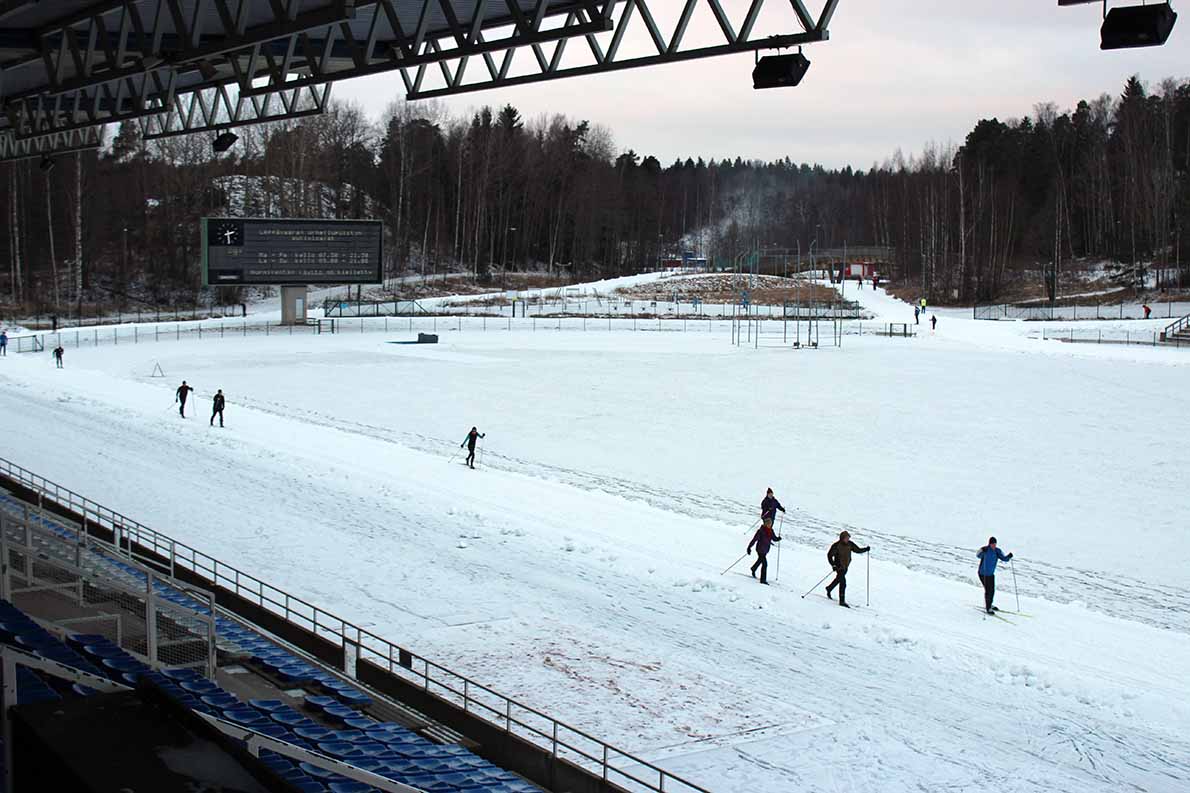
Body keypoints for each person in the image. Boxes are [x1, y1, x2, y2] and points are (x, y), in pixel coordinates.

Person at [825, 530, 870, 608]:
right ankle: (842, 601)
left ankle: (829, 588)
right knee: (843, 583)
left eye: (848, 538)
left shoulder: (850, 544)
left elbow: (857, 550)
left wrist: (866, 549)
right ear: (842, 538)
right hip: (839, 567)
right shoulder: (836, 545)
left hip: (846, 566)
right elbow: (829, 555)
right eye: (846, 538)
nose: (847, 539)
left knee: (838, 579)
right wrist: (833, 565)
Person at [977, 536, 1013, 614]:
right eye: (992, 544)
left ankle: (990, 604)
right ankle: (988, 607)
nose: (994, 545)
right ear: (989, 544)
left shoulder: (997, 551)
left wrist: (1009, 556)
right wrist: (982, 550)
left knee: (992, 590)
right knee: (988, 590)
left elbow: (1004, 558)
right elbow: (978, 555)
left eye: (995, 544)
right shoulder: (985, 549)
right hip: (983, 574)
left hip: (990, 574)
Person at [747, 518, 781, 584]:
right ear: (765, 524)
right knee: (765, 564)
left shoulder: (771, 531)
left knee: (760, 560)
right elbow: (754, 540)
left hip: (766, 549)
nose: (769, 525)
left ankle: (753, 568)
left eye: (770, 524)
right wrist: (749, 547)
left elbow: (774, 538)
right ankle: (763, 580)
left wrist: (778, 539)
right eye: (768, 524)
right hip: (760, 549)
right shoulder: (760, 531)